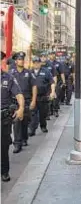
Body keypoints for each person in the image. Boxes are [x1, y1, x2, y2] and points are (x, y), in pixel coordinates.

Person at [1, 51, 25, 182]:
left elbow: (19, 94)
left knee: (3, 147)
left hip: (2, 119)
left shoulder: (8, 78)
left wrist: (21, 108)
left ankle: (4, 171)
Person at [10, 52, 37, 153]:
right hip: (15, 102)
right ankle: (17, 143)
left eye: (22, 59)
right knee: (17, 121)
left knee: (25, 122)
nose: (21, 61)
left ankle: (24, 138)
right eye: (19, 59)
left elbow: (34, 86)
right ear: (16, 61)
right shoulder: (11, 73)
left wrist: (33, 100)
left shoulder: (28, 73)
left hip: (26, 100)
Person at [29, 56, 56, 135]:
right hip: (32, 97)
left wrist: (53, 92)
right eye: (35, 63)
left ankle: (43, 126)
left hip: (43, 96)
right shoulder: (29, 72)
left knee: (42, 113)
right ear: (33, 63)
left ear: (40, 63)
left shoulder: (46, 71)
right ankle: (32, 129)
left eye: (38, 62)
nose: (36, 64)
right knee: (33, 114)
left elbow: (52, 82)